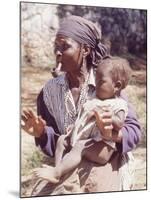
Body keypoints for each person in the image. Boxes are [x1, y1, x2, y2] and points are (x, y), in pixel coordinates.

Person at [21, 15, 141, 195]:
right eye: (57, 46)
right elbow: (57, 143)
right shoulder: (49, 92)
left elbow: (134, 130)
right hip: (68, 161)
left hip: (103, 159)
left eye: (65, 46)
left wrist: (112, 131)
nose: (58, 52)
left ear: (84, 50)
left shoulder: (105, 83)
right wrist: (42, 133)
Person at [32, 57, 131, 184]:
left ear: (116, 86)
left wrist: (110, 117)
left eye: (100, 82)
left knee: (80, 147)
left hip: (102, 147)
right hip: (85, 138)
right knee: (62, 139)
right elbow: (83, 117)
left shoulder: (118, 104)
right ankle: (58, 169)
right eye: (95, 79)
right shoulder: (93, 97)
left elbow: (120, 123)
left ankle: (57, 173)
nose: (96, 84)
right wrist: (74, 127)